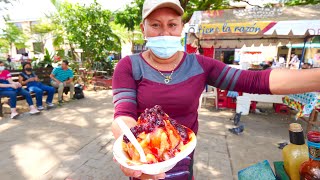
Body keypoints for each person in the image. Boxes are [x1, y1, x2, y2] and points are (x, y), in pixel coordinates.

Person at [111, 0, 320, 179]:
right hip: (143, 158)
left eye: (172, 25)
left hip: (183, 156)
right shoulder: (129, 66)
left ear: (181, 27)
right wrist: (130, 149)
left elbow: (255, 80)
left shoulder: (201, 65)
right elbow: (123, 116)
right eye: (155, 25)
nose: (165, 32)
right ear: (143, 28)